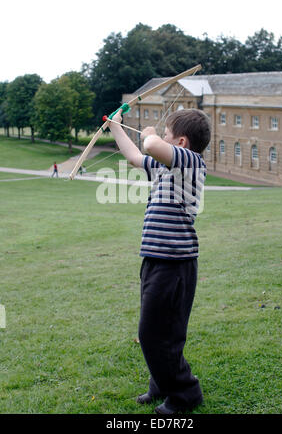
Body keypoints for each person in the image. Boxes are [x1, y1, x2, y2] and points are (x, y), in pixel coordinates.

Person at [109, 107, 211, 414]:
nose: (159, 138)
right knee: (155, 330)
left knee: (156, 333)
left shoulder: (192, 163)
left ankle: (185, 394)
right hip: (155, 260)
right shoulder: (166, 169)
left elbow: (150, 145)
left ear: (180, 142)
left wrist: (151, 136)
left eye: (167, 134)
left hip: (175, 265)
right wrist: (115, 126)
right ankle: (160, 384)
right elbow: (134, 156)